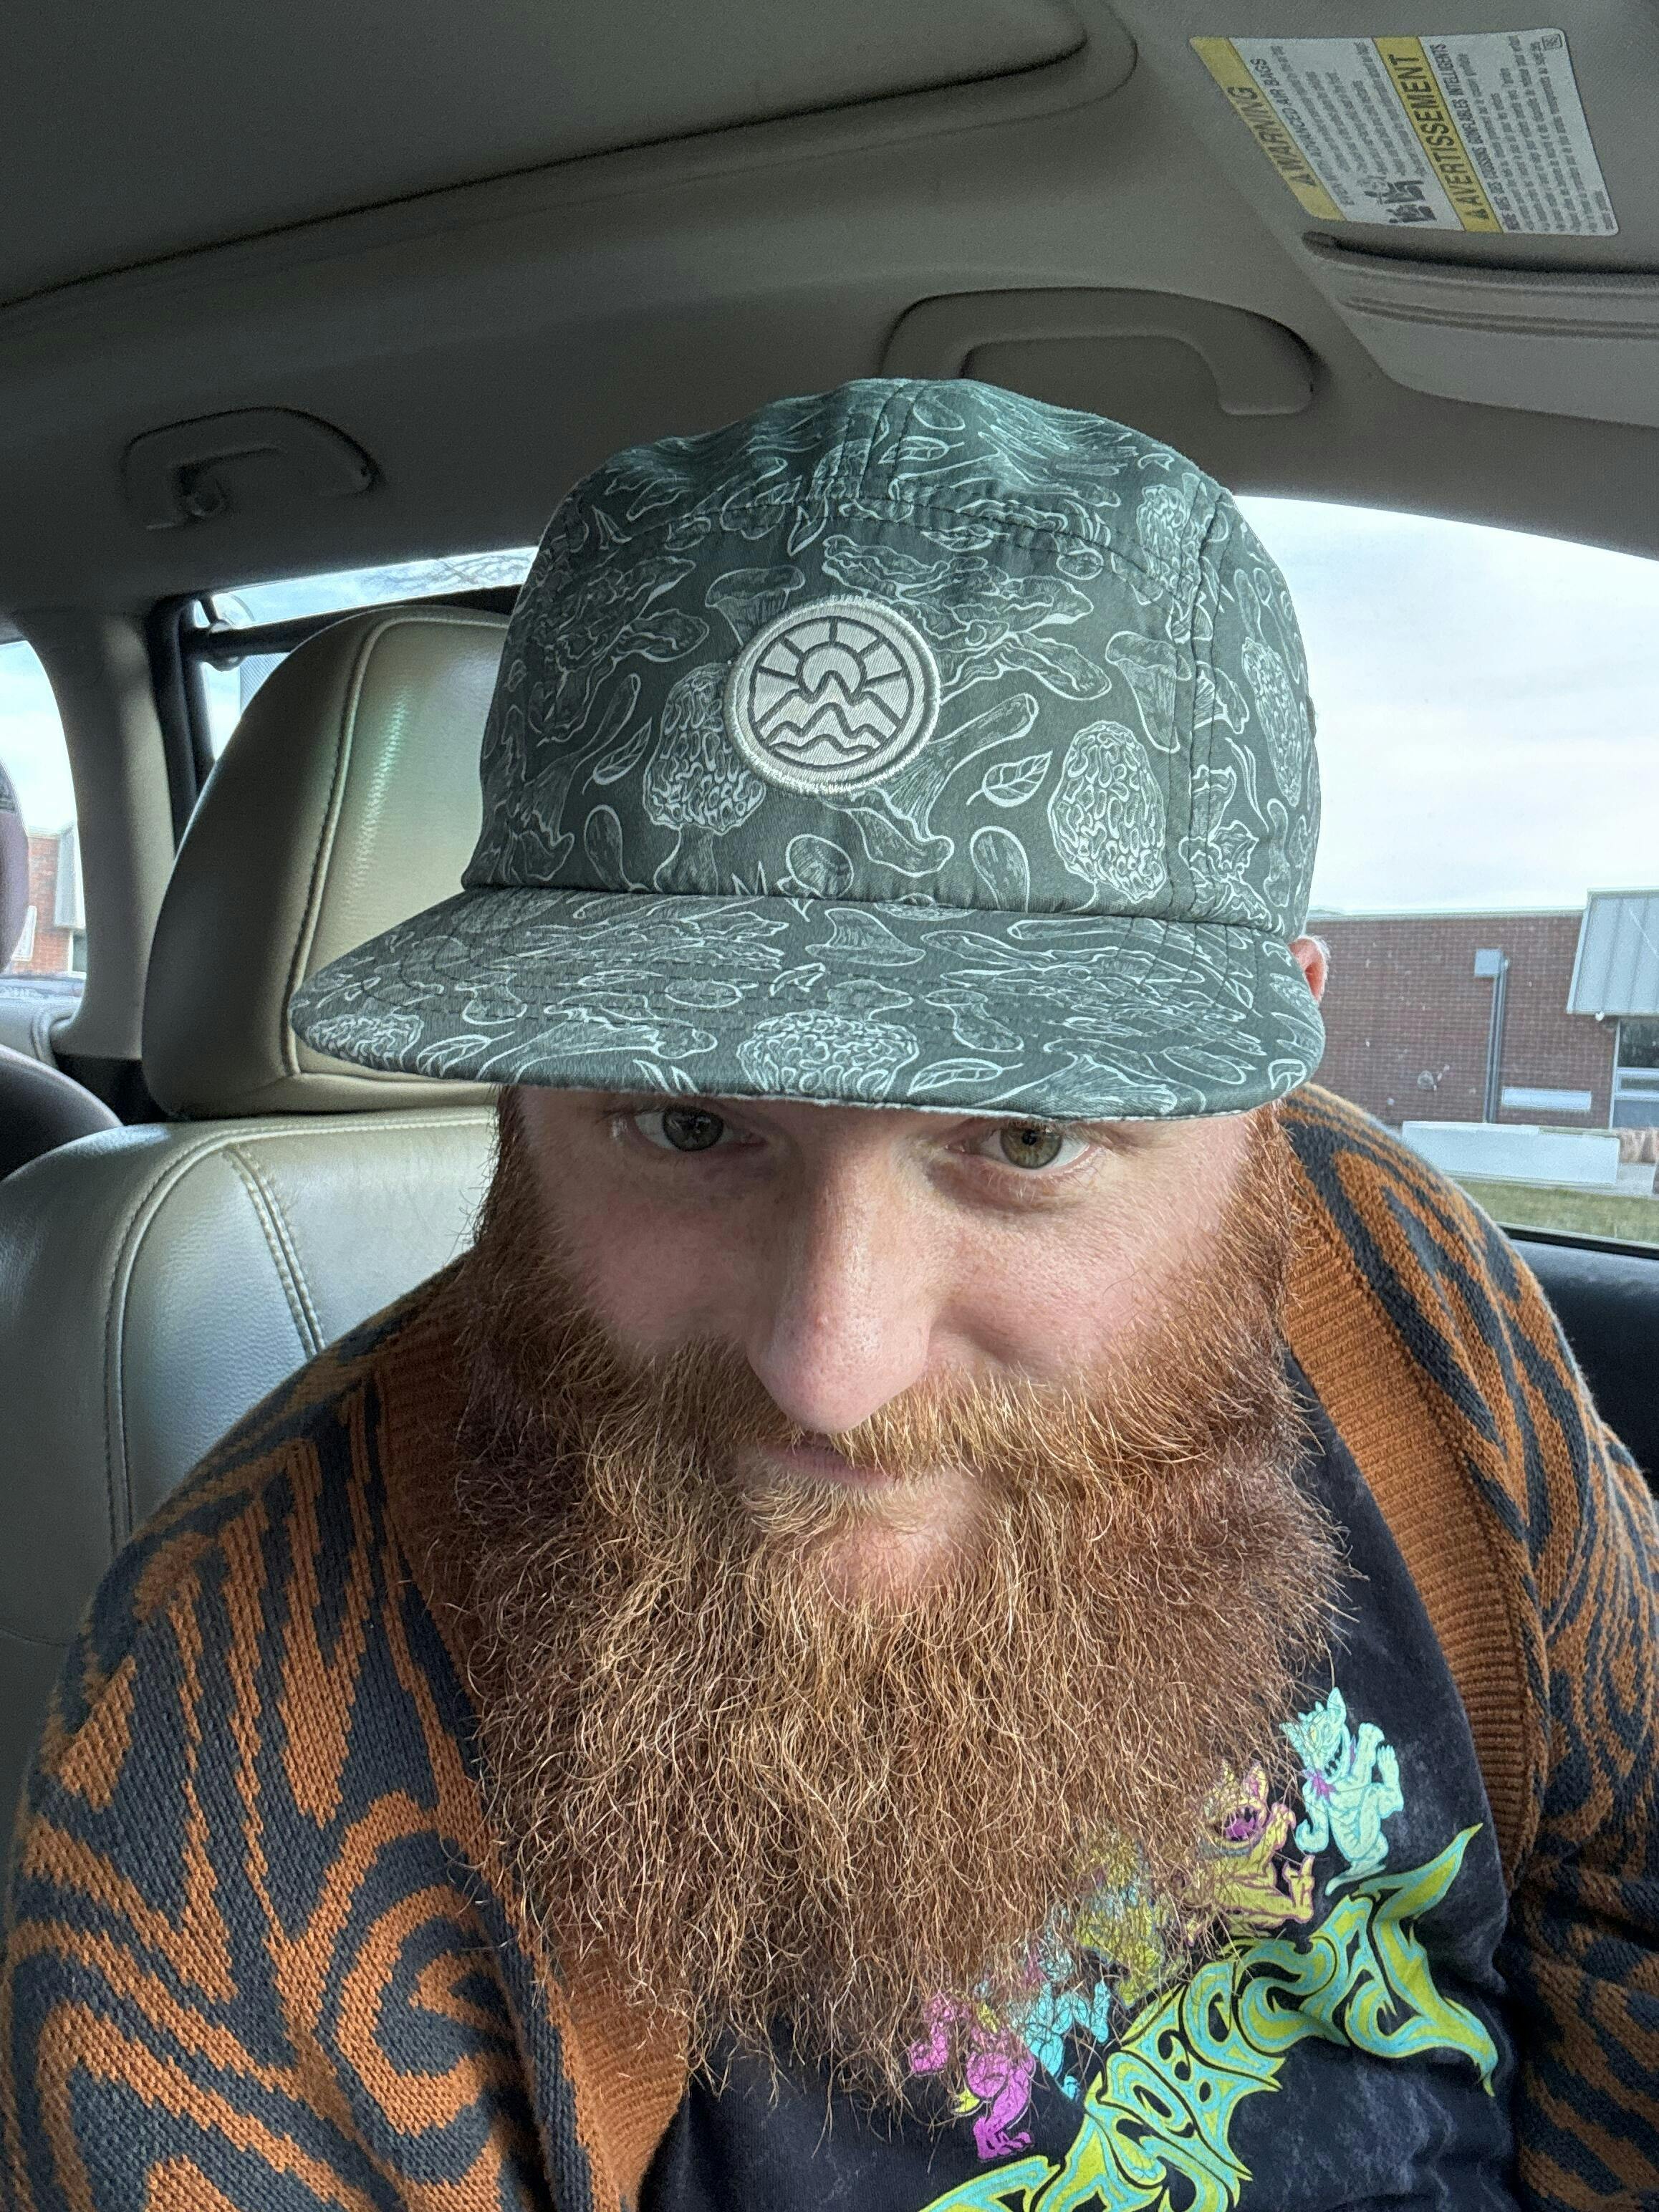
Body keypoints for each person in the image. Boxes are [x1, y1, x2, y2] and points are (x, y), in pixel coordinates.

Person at [3, 380, 1654, 2212]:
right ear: (517, 1096)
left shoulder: (1390, 1274)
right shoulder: (227, 1768)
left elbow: (1629, 1870)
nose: (831, 1364)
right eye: (685, 1120)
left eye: (1025, 1133)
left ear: (1267, 1090)